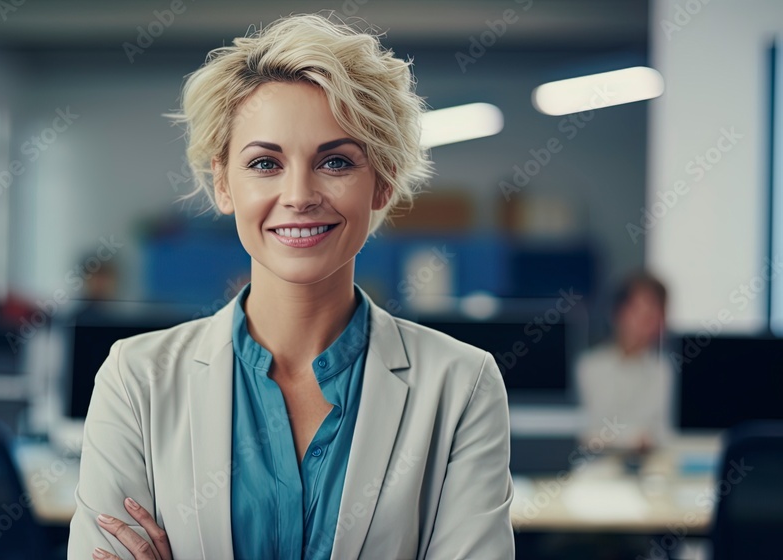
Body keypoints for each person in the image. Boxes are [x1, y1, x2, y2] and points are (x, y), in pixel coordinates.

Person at [69, 12, 514, 560]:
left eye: (335, 161)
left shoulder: (462, 384)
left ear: (382, 183)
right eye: (264, 162)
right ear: (224, 183)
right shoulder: (135, 380)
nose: (300, 194)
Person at [576, 270, 674, 454]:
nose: (648, 320)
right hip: (595, 468)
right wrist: (633, 439)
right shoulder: (589, 367)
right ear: (617, 313)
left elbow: (665, 434)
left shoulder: (666, 371)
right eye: (640, 310)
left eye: (655, 313)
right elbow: (586, 431)